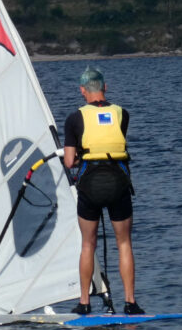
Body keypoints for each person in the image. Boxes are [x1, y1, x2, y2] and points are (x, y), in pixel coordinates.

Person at [62, 66, 145, 315]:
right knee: (124, 243)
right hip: (118, 183)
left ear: (82, 91)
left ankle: (84, 303)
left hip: (91, 185)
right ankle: (130, 303)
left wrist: (81, 158)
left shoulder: (74, 118)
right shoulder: (122, 114)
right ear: (105, 88)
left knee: (88, 244)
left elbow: (69, 161)